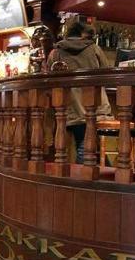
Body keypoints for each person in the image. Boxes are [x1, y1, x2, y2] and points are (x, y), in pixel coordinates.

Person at [47, 21, 112, 163]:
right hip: (95, 105)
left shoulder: (56, 52)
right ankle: (84, 178)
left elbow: (48, 80)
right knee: (86, 145)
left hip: (69, 107)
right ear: (83, 34)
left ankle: (101, 173)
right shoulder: (94, 49)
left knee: (84, 141)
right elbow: (107, 73)